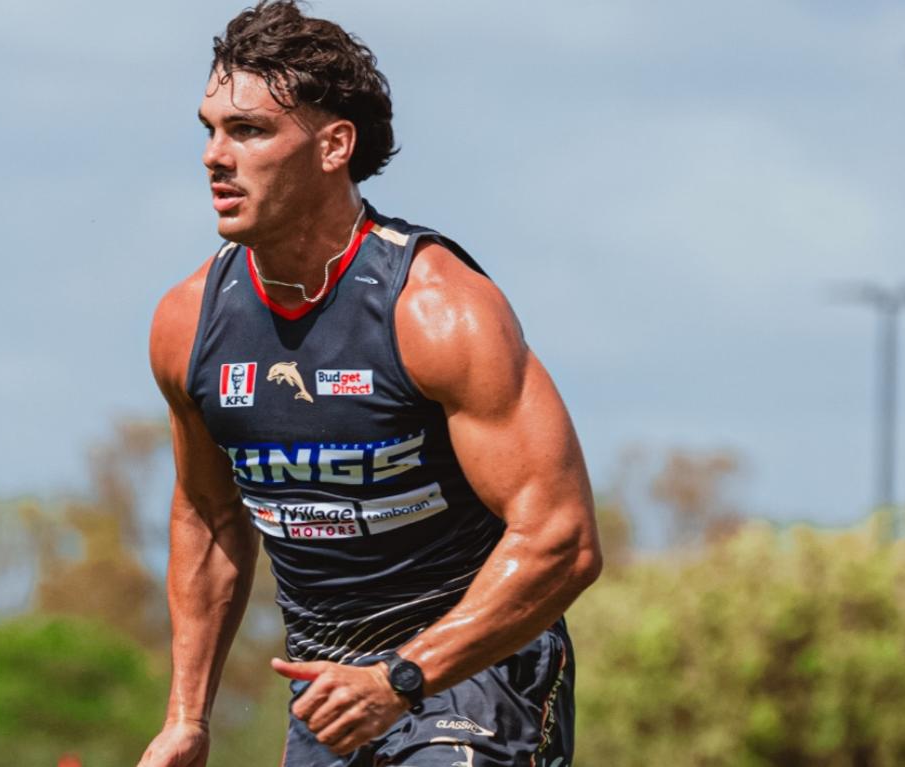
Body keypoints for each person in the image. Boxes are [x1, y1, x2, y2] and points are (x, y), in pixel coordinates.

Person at [137, 2, 602, 765]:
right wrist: (187, 716)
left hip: (476, 676)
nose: (214, 156)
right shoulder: (187, 323)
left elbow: (561, 539)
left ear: (332, 145)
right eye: (209, 128)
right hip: (324, 690)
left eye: (248, 131)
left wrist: (401, 676)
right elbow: (210, 517)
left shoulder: (438, 310)